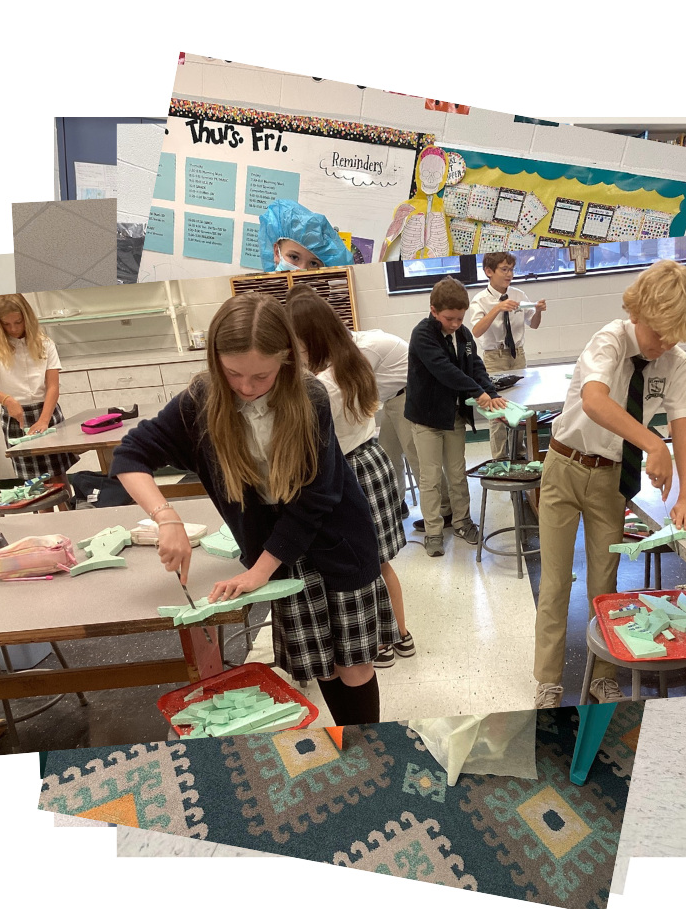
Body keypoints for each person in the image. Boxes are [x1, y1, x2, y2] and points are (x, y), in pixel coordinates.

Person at [110, 294, 397, 726]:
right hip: (277, 553)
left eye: (261, 375)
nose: (245, 387)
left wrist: (258, 571)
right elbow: (130, 455)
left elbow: (315, 499)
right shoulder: (201, 399)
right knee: (321, 662)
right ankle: (349, 742)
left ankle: (369, 749)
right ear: (215, 361)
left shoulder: (311, 396)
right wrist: (166, 519)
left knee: (353, 664)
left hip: (338, 542)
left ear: (284, 359)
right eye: (233, 374)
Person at [532, 260, 686, 708]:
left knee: (605, 584)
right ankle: (548, 680)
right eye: (658, 332)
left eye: (675, 336)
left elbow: (684, 429)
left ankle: (604, 672)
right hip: (564, 468)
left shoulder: (673, 360)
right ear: (637, 313)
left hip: (611, 478)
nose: (665, 344)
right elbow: (594, 401)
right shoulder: (610, 339)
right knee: (554, 583)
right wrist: (653, 444)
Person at [285, 288, 415, 669]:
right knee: (381, 560)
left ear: (308, 338)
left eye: (293, 341)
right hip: (373, 462)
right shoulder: (353, 363)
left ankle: (381, 641)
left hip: (347, 473)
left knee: (363, 564)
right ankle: (401, 635)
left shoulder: (320, 384)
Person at [284, 286, 451, 524]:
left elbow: (337, 398)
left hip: (410, 396)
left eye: (299, 345)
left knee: (419, 460)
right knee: (390, 455)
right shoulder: (344, 348)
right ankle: (396, 505)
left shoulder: (358, 354)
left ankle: (444, 511)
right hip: (391, 400)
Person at [405, 277, 509, 557]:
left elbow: (475, 364)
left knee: (457, 472)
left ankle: (463, 522)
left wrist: (489, 391)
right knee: (430, 478)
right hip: (426, 417)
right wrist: (478, 392)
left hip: (454, 416)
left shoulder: (462, 333)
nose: (454, 324)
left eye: (459, 319)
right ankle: (434, 531)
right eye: (449, 318)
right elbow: (443, 370)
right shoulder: (423, 335)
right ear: (433, 310)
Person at [0, 294, 80, 480]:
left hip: (47, 412)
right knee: (36, 482)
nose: (13, 328)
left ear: (27, 317)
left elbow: (53, 386)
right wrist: (7, 400)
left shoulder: (45, 343)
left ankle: (67, 507)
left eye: (18, 322)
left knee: (58, 477)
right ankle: (44, 510)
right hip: (16, 417)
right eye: (6, 324)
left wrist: (44, 420)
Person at [466, 252, 547, 460]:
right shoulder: (480, 300)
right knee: (497, 409)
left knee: (521, 406)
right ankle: (500, 457)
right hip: (494, 356)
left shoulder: (518, 295)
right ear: (489, 272)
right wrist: (497, 308)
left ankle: (520, 453)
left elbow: (534, 324)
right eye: (504, 269)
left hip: (517, 355)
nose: (509, 274)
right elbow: (476, 331)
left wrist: (538, 310)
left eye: (511, 269)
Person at [258, 199, 354, 273]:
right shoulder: (255, 297)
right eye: (294, 257)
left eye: (313, 263)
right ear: (276, 252)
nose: (302, 269)